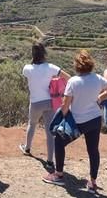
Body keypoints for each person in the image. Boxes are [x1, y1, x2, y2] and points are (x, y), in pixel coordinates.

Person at [43, 50, 107, 194]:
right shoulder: (97, 78)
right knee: (93, 150)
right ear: (90, 64)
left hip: (77, 121)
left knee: (59, 141)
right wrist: (100, 98)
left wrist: (64, 119)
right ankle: (93, 182)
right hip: (95, 119)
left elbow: (65, 106)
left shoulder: (73, 82)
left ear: (77, 66)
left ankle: (58, 174)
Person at [19, 42, 70, 170]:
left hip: (35, 102)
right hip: (50, 102)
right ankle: (50, 161)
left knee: (32, 124)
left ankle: (27, 148)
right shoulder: (51, 67)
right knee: (49, 132)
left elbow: (27, 75)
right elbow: (68, 77)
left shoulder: (27, 68)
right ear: (44, 53)